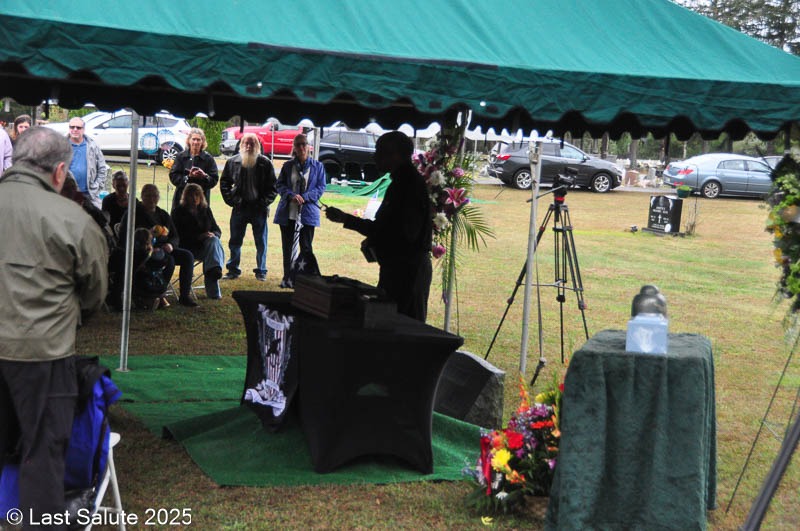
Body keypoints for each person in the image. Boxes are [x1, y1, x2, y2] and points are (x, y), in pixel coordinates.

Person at [0, 126, 108, 527]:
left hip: (39, 350)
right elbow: (95, 293)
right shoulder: (72, 219)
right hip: (43, 354)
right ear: (61, 171)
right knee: (43, 454)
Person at [326, 131, 433, 322]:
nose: (375, 157)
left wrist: (355, 225)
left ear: (395, 155)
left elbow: (400, 233)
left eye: (380, 152)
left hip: (407, 272)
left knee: (403, 325)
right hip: (400, 269)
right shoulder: (402, 182)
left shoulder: (409, 186)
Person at [114, 183, 197, 308]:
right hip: (143, 251)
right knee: (169, 261)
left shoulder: (163, 214)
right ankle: (157, 293)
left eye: (154, 196)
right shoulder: (133, 214)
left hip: (164, 248)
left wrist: (171, 244)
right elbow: (124, 237)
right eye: (148, 196)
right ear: (142, 196)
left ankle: (184, 296)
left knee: (188, 256)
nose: (152, 199)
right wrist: (147, 239)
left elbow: (175, 236)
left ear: (158, 197)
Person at [220, 132, 278, 281]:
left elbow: (273, 187)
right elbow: (224, 183)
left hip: (259, 208)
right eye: (246, 143)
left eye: (252, 143)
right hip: (239, 207)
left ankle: (261, 270)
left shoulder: (265, 163)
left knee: (261, 242)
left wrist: (264, 202)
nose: (248, 146)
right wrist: (232, 200)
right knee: (235, 240)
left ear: (257, 146)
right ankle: (233, 269)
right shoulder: (232, 162)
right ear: (241, 145)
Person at [273, 133, 326, 288]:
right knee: (287, 248)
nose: (301, 147)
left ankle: (304, 281)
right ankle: (288, 279)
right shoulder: (287, 166)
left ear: (309, 146)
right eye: (298, 144)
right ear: (294, 148)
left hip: (308, 215)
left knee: (306, 248)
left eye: (304, 144)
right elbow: (279, 185)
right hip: (288, 213)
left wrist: (305, 197)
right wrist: (291, 195)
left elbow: (321, 187)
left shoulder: (318, 167)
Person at [172, 183, 225, 299]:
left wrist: (213, 234)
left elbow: (217, 230)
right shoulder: (178, 212)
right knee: (213, 251)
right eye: (191, 195)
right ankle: (214, 284)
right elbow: (177, 236)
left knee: (214, 240)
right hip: (187, 249)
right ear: (185, 197)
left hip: (206, 248)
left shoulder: (205, 210)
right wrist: (198, 237)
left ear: (201, 196)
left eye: (197, 195)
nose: (194, 198)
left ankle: (214, 271)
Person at [168, 127, 219, 211]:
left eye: (198, 140)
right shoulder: (181, 156)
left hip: (201, 202)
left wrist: (204, 176)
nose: (196, 142)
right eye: (193, 139)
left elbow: (214, 179)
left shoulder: (208, 158)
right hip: (181, 200)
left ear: (202, 141)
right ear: (189, 140)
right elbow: (173, 176)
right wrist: (188, 177)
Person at [67, 116, 108, 209]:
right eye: (72, 127)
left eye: (78, 127)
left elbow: (102, 168)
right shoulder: (62, 146)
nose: (75, 129)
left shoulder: (93, 146)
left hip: (89, 196)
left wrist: (96, 187)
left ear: (83, 129)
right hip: (68, 195)